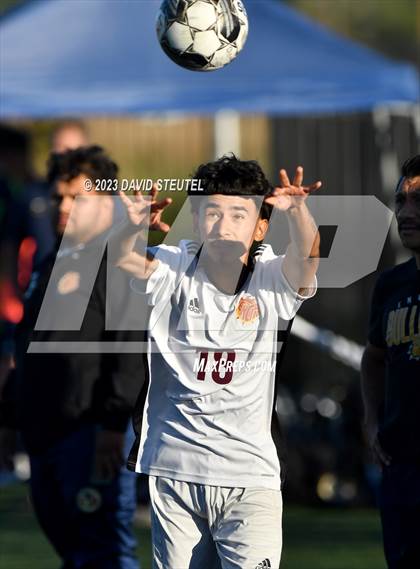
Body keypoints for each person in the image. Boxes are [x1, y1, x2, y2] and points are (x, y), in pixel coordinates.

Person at [114, 155, 321, 568]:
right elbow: (127, 260)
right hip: (175, 470)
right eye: (211, 211)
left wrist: (298, 212)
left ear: (261, 225)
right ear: (194, 216)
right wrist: (131, 228)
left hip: (250, 478)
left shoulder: (271, 277)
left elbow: (307, 260)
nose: (223, 225)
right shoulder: (174, 266)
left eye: (238, 214)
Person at [0, 146, 143, 569]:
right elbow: (28, 347)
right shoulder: (49, 261)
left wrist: (114, 425)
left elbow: (130, 344)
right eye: (59, 197)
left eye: (77, 197)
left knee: (105, 553)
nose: (64, 207)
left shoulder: (121, 258)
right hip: (44, 435)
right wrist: (10, 417)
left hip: (91, 434)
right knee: (72, 552)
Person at [361, 155, 420, 569]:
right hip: (402, 466)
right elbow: (373, 358)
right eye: (400, 201)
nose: (405, 212)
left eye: (418, 201)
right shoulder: (392, 284)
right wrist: (370, 419)